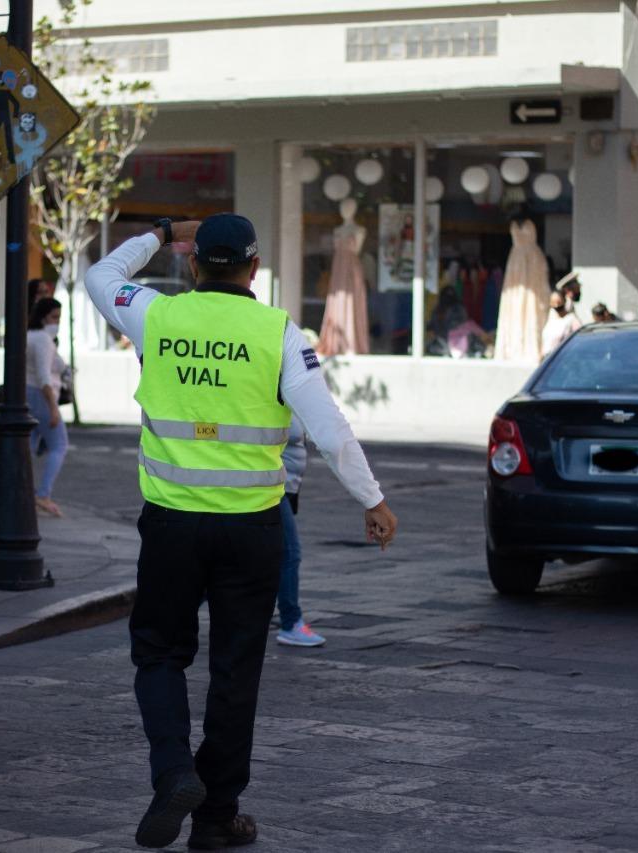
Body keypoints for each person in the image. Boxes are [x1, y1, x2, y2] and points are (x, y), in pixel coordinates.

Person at [85, 214, 397, 851]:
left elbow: (101, 274)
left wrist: (161, 231)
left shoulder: (155, 314)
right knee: (236, 669)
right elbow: (327, 426)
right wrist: (372, 499)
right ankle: (218, 814)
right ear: (255, 270)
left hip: (171, 524)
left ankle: (174, 771)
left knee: (159, 653)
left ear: (194, 265)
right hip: (252, 530)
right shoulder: (278, 331)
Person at [276, 416, 324, 647]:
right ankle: (291, 622)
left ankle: (178, 611)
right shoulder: (276, 387)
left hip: (286, 486)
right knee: (289, 552)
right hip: (272, 487)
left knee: (234, 559)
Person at [27, 297, 68, 517]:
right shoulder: (42, 339)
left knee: (31, 445)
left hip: (27, 394)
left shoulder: (29, 336)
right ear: (43, 317)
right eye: (54, 317)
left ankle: (25, 493)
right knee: (59, 445)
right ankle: (43, 495)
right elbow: (43, 377)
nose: (57, 322)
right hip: (41, 396)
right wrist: (53, 408)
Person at [541, 289, 582, 358]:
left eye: (558, 302)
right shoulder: (551, 319)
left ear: (564, 301)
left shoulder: (571, 319)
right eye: (553, 302)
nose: (556, 305)